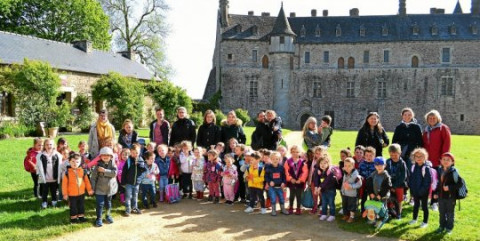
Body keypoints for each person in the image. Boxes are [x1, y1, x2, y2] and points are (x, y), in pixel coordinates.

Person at [434, 152, 463, 234]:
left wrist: (449, 187)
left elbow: (460, 184)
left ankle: (449, 228)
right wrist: (436, 193)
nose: (445, 161)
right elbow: (438, 183)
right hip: (441, 197)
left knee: (450, 214)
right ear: (440, 161)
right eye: (444, 159)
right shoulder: (439, 170)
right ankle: (441, 226)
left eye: (448, 160)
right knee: (441, 213)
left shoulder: (454, 172)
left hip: (451, 197)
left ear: (452, 162)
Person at [62, 152, 93, 223]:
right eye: (73, 161)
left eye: (77, 162)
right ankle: (73, 218)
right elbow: (64, 184)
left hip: (81, 193)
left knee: (81, 206)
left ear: (80, 162)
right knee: (73, 207)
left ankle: (81, 217)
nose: (75, 163)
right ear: (69, 161)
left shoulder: (82, 171)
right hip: (72, 194)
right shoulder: (67, 173)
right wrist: (65, 194)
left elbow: (87, 181)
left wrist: (89, 189)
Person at [90, 147, 118, 227]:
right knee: (100, 204)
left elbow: (114, 173)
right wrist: (92, 187)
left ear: (111, 156)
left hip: (109, 189)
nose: (105, 156)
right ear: (100, 156)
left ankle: (108, 215)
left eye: (108, 155)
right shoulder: (97, 166)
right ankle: (99, 218)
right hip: (100, 189)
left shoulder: (113, 164)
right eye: (103, 155)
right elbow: (93, 178)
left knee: (108, 204)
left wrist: (105, 171)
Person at [408, 148, 432, 229]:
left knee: (424, 207)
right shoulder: (413, 167)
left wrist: (422, 191)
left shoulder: (426, 168)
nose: (418, 158)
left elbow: (428, 181)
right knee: (416, 205)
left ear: (425, 157)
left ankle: (425, 222)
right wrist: (411, 189)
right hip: (415, 191)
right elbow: (411, 179)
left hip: (423, 192)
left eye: (421, 156)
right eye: (416, 156)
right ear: (414, 157)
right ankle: (414, 219)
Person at [365, 157, 392, 227]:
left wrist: (381, 195)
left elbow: (387, 187)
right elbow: (369, 184)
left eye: (381, 165)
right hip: (374, 195)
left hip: (382, 196)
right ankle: (373, 219)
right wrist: (371, 193)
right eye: (377, 165)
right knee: (373, 207)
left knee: (382, 208)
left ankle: (382, 219)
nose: (379, 167)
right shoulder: (373, 174)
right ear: (374, 166)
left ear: (385, 166)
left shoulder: (386, 176)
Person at [36, 139, 63, 209]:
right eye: (47, 145)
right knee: (44, 191)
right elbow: (38, 166)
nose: (49, 146)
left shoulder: (57, 155)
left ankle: (54, 201)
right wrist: (39, 174)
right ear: (44, 146)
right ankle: (44, 202)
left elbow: (60, 165)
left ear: (53, 145)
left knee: (54, 191)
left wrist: (59, 175)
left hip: (54, 177)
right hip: (45, 178)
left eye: (50, 144)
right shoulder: (41, 155)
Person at [121, 144, 147, 216]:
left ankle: (134, 208)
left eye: (137, 153)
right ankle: (127, 209)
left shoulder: (141, 160)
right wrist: (123, 182)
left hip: (137, 183)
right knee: (128, 196)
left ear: (139, 153)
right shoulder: (129, 161)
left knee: (135, 195)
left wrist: (139, 164)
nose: (135, 154)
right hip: (129, 183)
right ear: (130, 152)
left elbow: (144, 170)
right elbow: (124, 172)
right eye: (133, 153)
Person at [385, 144, 408, 219]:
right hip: (389, 184)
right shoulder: (388, 162)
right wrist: (390, 185)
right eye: (391, 155)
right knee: (389, 199)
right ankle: (389, 212)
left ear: (400, 153)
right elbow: (386, 173)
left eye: (395, 155)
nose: (393, 157)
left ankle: (399, 214)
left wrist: (395, 186)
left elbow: (403, 176)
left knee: (399, 200)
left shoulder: (402, 163)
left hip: (399, 185)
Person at [284, 145, 308, 215]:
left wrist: (300, 180)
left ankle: (298, 208)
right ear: (291, 152)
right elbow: (286, 171)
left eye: (297, 152)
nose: (295, 153)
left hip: (299, 182)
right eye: (293, 152)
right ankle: (291, 207)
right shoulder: (288, 161)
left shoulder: (303, 162)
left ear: (300, 153)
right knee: (291, 195)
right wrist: (290, 178)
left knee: (299, 196)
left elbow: (305, 172)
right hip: (291, 182)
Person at [314, 154, 338, 222]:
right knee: (324, 203)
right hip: (324, 190)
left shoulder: (331, 171)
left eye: (325, 163)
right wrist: (316, 187)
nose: (323, 165)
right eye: (321, 163)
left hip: (331, 190)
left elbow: (326, 181)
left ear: (328, 163)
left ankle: (332, 215)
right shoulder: (319, 171)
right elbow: (316, 179)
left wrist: (319, 188)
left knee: (331, 203)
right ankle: (324, 214)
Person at [265, 151, 289, 216]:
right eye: (273, 159)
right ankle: (273, 210)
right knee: (273, 198)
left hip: (280, 187)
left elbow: (284, 176)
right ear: (270, 159)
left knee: (281, 198)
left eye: (276, 159)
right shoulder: (268, 167)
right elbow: (266, 176)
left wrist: (283, 182)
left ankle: (283, 209)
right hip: (272, 187)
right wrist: (269, 181)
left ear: (279, 159)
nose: (275, 160)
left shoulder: (281, 168)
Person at [340, 157, 362, 223]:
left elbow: (359, 184)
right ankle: (346, 215)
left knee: (352, 206)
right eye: (345, 166)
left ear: (353, 166)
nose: (347, 167)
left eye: (349, 166)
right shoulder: (345, 173)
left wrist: (351, 186)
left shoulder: (356, 175)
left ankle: (352, 217)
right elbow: (343, 182)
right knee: (345, 205)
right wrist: (342, 190)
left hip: (352, 194)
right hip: (345, 193)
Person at [308, 146, 327, 215]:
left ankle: (322, 208)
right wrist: (309, 181)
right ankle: (315, 207)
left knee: (322, 195)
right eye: (316, 153)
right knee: (314, 194)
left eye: (320, 153)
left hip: (321, 182)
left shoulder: (324, 161)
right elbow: (311, 171)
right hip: (314, 180)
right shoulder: (314, 160)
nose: (318, 155)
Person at [358, 146, 377, 213]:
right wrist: (360, 177)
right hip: (364, 184)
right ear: (364, 156)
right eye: (367, 155)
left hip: (372, 185)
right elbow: (359, 173)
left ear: (374, 156)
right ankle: (363, 211)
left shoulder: (376, 164)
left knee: (372, 198)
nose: (368, 157)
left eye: (370, 156)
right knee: (364, 198)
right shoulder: (362, 164)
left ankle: (372, 211)